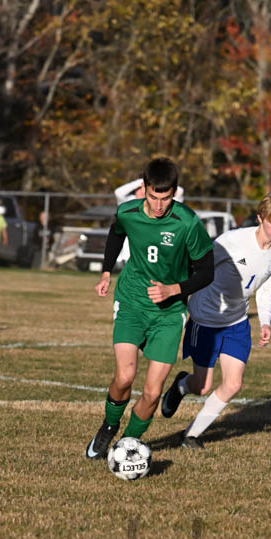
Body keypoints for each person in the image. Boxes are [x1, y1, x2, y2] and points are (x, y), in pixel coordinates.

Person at [86, 157, 214, 459]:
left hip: (169, 314)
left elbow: (207, 272)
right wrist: (106, 272)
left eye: (166, 198)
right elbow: (116, 234)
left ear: (174, 193)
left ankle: (127, 444)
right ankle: (109, 426)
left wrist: (174, 289)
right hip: (131, 302)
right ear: (144, 188)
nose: (159, 205)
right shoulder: (128, 212)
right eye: (154, 197)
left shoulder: (187, 222)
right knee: (124, 377)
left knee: (153, 392)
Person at [160, 192, 271, 450]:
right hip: (205, 319)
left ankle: (191, 435)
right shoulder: (232, 241)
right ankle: (181, 385)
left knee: (233, 384)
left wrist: (265, 322)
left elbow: (267, 289)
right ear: (260, 218)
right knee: (202, 386)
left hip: (237, 321)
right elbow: (199, 268)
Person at [115, 177, 185, 205]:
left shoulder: (159, 203)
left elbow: (180, 191)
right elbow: (118, 193)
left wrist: (158, 182)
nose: (142, 191)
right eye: (139, 188)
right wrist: (141, 181)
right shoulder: (129, 201)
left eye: (145, 189)